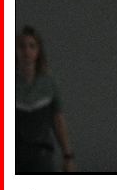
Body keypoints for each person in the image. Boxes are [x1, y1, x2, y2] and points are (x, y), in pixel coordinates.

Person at [16, 26, 75, 173]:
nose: (27, 51)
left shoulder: (48, 84)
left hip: (41, 155)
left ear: (38, 51)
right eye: (22, 46)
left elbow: (58, 121)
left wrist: (68, 156)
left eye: (32, 46)